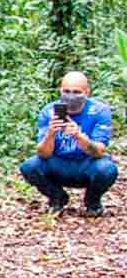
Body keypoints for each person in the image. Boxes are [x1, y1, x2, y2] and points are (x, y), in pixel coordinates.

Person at [19, 71, 116, 217]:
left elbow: (99, 152)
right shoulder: (49, 111)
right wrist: (51, 133)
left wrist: (79, 137)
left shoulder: (99, 111)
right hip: (58, 164)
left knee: (107, 169)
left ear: (87, 92)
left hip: (86, 164)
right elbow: (43, 153)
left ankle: (92, 202)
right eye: (67, 91)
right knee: (29, 167)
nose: (71, 96)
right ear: (60, 91)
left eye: (77, 92)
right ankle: (57, 198)